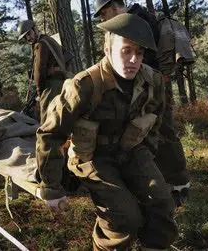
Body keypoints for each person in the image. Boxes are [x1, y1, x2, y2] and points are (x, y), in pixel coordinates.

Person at [35, 13, 177, 251]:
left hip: (132, 152)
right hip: (93, 157)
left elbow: (157, 122)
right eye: (126, 50)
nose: (133, 59)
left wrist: (147, 160)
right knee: (124, 217)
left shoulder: (152, 81)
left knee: (162, 204)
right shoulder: (85, 85)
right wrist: (51, 186)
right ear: (108, 49)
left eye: (139, 53)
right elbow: (51, 133)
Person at [93, 0, 190, 204]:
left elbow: (149, 58)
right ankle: (159, 179)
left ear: (111, 9)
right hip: (143, 86)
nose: (104, 20)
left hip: (154, 87)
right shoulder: (138, 18)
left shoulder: (138, 21)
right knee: (146, 132)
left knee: (164, 131)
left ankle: (180, 183)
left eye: (103, 15)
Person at [17, 20, 69, 123]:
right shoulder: (49, 39)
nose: (28, 38)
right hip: (62, 82)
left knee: (46, 121)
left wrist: (40, 94)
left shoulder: (40, 44)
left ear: (35, 29)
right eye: (25, 37)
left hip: (52, 86)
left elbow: (39, 74)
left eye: (29, 34)